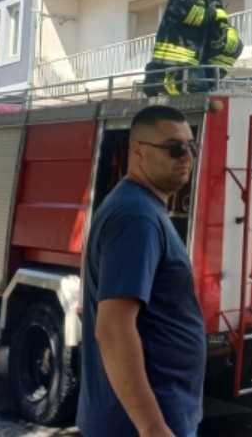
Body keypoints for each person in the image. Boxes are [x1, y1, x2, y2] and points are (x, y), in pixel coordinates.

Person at [77, 105, 205, 437]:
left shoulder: (141, 207)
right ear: (138, 151)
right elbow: (113, 328)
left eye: (191, 146)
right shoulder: (137, 216)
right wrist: (152, 426)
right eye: (174, 147)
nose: (187, 156)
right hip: (138, 426)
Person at [142, 0, 244, 96]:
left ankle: (209, 82)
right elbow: (185, 13)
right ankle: (162, 80)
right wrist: (214, 14)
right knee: (197, 88)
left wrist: (230, 31)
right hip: (169, 62)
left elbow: (220, 24)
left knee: (236, 46)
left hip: (191, 64)